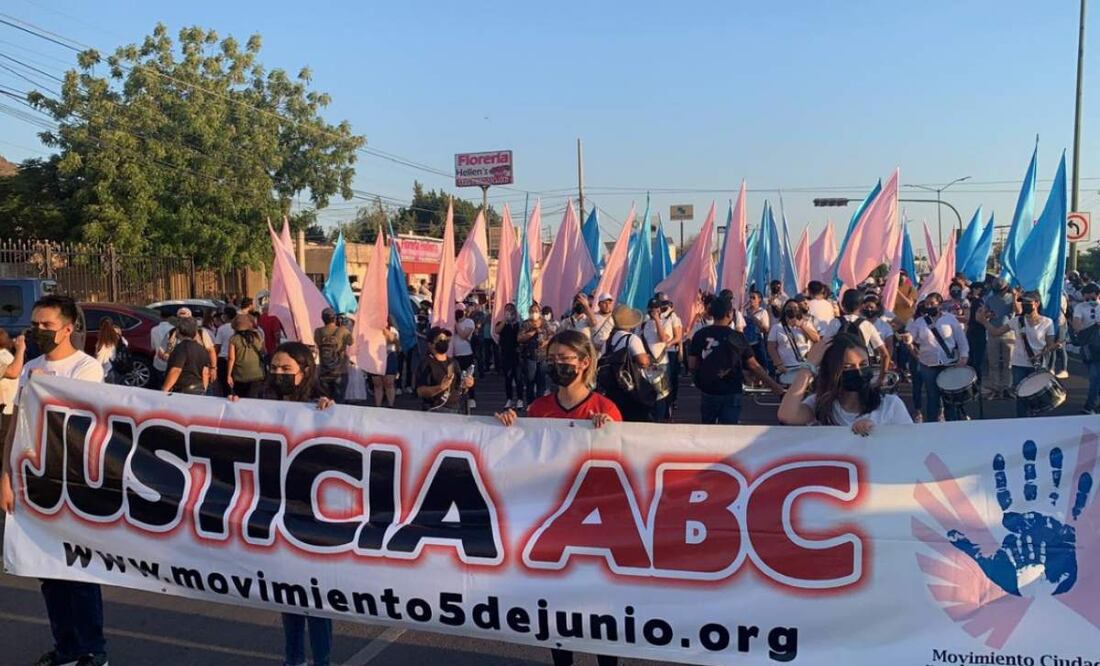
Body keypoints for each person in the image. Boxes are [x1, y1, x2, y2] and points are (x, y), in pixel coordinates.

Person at [493, 329, 621, 666]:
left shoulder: (604, 409)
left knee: (597, 612)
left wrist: (608, 434)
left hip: (594, 531)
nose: (557, 366)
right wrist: (506, 429)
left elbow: (621, 469)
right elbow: (522, 458)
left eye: (564, 359)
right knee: (557, 609)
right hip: (551, 527)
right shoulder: (539, 409)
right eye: (552, 360)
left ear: (584, 362)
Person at [1, 295, 110, 666]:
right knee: (46, 570)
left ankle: (92, 649)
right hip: (34, 482)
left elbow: (82, 424)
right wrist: (6, 475)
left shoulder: (86, 368)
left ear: (67, 328)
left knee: (77, 570)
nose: (38, 331)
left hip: (73, 483)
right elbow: (18, 424)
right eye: (35, 324)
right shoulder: (30, 366)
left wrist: (50, 392)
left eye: (46, 325)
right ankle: (65, 647)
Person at [228, 341, 334, 666]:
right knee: (288, 595)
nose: (278, 374)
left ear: (305, 370)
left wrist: (332, 413)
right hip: (276, 512)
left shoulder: (324, 403)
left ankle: (322, 660)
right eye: (274, 367)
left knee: (315, 599)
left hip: (313, 517)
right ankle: (294, 659)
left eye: (286, 369)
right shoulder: (261, 399)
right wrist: (233, 409)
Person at [779, 333, 913, 434]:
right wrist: (809, 366)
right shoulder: (819, 405)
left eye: (863, 364)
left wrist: (877, 432)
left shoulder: (890, 405)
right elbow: (787, 415)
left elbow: (909, 443)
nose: (858, 371)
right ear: (832, 371)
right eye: (847, 367)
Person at [689, 297, 784, 424]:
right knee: (729, 429)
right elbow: (753, 365)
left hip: (708, 389)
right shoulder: (737, 336)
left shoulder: (700, 334)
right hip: (731, 388)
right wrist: (774, 386)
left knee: (708, 429)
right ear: (729, 314)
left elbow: (692, 364)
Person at [980, 291, 1056, 418]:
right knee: (1021, 395)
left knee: (1036, 394)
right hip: (1019, 364)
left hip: (1037, 364)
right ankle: (1021, 420)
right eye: (1023, 302)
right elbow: (996, 332)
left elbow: (1050, 345)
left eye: (1028, 302)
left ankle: (1035, 420)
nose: (1024, 305)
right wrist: (984, 322)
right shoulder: (1016, 321)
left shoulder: (1047, 322)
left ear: (1036, 303)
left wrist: (1051, 349)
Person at [906, 292, 970, 422]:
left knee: (950, 396)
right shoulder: (919, 322)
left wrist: (964, 356)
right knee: (932, 396)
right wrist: (908, 338)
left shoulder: (950, 319)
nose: (928, 306)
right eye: (926, 304)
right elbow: (911, 335)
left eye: (932, 304)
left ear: (939, 305)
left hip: (949, 363)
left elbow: (961, 339)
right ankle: (932, 425)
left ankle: (952, 423)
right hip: (929, 364)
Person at [598, 304, 653, 422]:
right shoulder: (631, 339)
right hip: (631, 386)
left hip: (613, 387)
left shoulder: (608, 340)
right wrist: (648, 359)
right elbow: (643, 362)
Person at [822, 289, 892, 377]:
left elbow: (824, 348)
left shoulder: (835, 323)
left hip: (840, 371)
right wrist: (881, 379)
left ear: (842, 305)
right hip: (862, 370)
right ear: (862, 306)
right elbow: (885, 354)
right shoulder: (867, 325)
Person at [416, 326, 475, 413]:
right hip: (435, 409)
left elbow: (460, 387)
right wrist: (440, 388)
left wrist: (467, 384)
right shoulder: (426, 363)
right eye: (440, 339)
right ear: (430, 344)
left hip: (456, 408)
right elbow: (420, 391)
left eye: (445, 339)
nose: (444, 341)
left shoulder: (453, 362)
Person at [980, 277, 1017, 398]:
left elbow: (1018, 311)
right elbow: (983, 313)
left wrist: (1015, 297)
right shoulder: (990, 299)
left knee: (1009, 363)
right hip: (993, 331)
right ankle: (995, 388)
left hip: (1008, 332)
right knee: (993, 362)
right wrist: (988, 314)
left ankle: (1007, 387)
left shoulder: (1012, 298)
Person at [768, 298, 821, 375]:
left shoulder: (806, 324)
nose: (792, 310)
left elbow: (816, 339)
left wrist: (802, 326)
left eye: (795, 308)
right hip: (786, 367)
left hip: (804, 366)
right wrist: (778, 364)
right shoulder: (777, 327)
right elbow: (771, 347)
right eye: (789, 308)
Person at [641, 296, 674, 421]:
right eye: (652, 308)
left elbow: (663, 338)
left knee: (661, 394)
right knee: (648, 393)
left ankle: (661, 418)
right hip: (647, 363)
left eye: (656, 308)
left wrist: (657, 320)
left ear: (660, 309)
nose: (654, 310)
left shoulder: (666, 322)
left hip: (661, 362)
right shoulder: (643, 324)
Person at [162, 317, 211, 395]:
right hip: (199, 389)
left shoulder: (181, 347)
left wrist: (164, 390)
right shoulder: (202, 349)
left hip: (182, 391)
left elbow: (176, 370)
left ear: (179, 330)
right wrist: (204, 390)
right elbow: (205, 372)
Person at [314, 308, 353, 402]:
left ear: (323, 318)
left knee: (324, 401)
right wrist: (345, 327)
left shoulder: (318, 331)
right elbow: (351, 342)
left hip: (324, 371)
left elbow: (317, 342)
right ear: (335, 318)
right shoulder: (343, 331)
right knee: (339, 402)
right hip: (340, 370)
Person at [1073, 282, 1100, 414]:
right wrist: (1091, 326)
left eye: (1093, 299)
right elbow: (1076, 326)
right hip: (1089, 348)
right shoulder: (1080, 307)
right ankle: (1091, 405)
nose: (1090, 301)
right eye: (1087, 299)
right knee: (1095, 377)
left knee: (1095, 378)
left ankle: (1089, 406)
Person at [518, 303, 552, 404]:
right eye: (532, 311)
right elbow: (519, 338)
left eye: (536, 311)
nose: (534, 313)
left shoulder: (545, 323)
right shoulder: (526, 324)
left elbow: (551, 336)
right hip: (530, 356)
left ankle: (539, 403)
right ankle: (530, 403)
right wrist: (533, 332)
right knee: (530, 381)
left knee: (541, 381)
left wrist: (545, 342)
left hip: (542, 356)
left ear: (540, 312)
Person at [227, 313, 266, 399]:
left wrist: (229, 375)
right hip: (257, 374)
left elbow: (231, 358)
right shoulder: (258, 336)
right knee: (254, 400)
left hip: (240, 375)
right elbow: (263, 351)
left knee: (241, 400)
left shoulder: (233, 339)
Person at [494, 303, 523, 409]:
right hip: (506, 354)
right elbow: (497, 331)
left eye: (510, 310)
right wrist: (505, 320)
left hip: (517, 354)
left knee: (518, 378)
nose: (508, 312)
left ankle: (520, 399)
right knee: (508, 378)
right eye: (506, 310)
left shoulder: (518, 324)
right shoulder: (502, 323)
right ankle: (509, 399)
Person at [451, 304, 478, 409]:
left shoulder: (469, 322)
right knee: (457, 377)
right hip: (456, 354)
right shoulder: (452, 323)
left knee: (469, 376)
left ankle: (472, 398)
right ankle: (457, 397)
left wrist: (456, 323)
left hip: (467, 353)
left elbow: (463, 335)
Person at [0, 329, 25, 439]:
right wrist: (20, 349)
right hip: (4, 412)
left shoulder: (4, 354)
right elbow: (13, 371)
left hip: (10, 408)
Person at [372, 318, 400, 408]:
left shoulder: (393, 330)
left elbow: (394, 341)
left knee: (389, 383)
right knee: (377, 383)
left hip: (389, 355)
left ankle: (390, 405)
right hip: (376, 356)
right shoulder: (373, 330)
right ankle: (378, 406)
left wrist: (386, 332)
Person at [214, 306, 238, 394]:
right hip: (237, 359)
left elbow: (217, 346)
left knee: (224, 387)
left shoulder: (221, 329)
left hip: (223, 359)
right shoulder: (237, 328)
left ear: (226, 316)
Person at [94, 317, 125, 384]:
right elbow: (125, 343)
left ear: (101, 326)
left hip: (107, 370)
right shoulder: (117, 337)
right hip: (117, 366)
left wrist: (95, 369)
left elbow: (100, 358)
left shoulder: (102, 342)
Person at [149, 309, 175, 389]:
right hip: (171, 362)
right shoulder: (174, 329)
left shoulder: (154, 330)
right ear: (170, 317)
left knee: (159, 385)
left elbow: (152, 347)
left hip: (158, 362)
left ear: (160, 317)